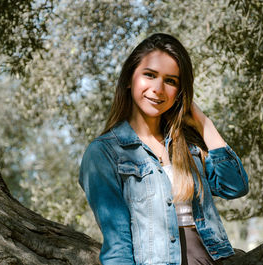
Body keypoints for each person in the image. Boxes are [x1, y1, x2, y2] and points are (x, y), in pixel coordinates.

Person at [78, 33, 249, 265]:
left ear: (180, 91)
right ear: (130, 79)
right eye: (149, 75)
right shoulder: (104, 153)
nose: (158, 89)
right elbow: (117, 244)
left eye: (170, 81)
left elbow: (234, 186)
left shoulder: (189, 145)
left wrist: (202, 121)